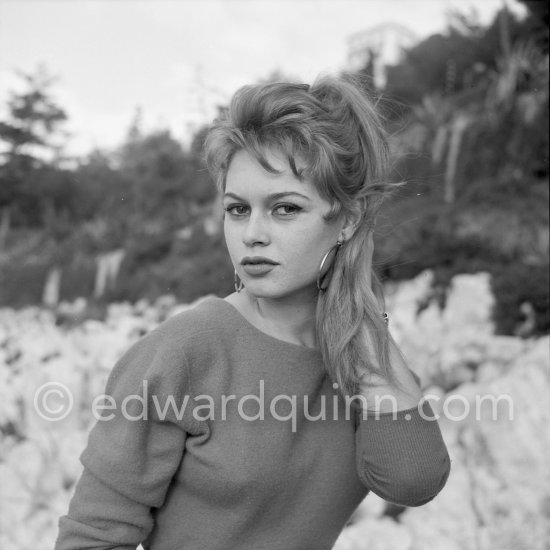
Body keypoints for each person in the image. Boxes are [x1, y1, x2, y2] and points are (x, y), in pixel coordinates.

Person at [54, 74, 451, 550]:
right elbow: (92, 538)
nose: (252, 235)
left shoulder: (363, 355)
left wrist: (362, 330)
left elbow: (412, 480)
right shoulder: (183, 352)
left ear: (346, 220)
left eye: (284, 209)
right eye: (238, 209)